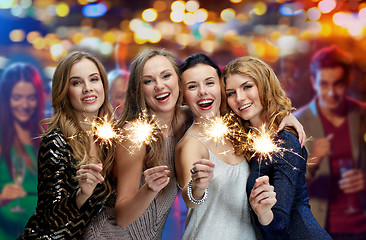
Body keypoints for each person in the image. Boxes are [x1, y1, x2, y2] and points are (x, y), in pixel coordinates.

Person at [83, 48, 306, 240]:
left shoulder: (194, 117)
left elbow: (240, 108)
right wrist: (156, 188)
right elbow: (187, 198)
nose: (159, 86)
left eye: (166, 76)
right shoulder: (139, 135)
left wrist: (284, 116)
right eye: (148, 81)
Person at [223, 56, 332, 239]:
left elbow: (279, 225)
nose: (239, 98)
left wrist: (263, 211)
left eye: (247, 86)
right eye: (230, 93)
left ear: (264, 85)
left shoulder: (284, 140)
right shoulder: (247, 138)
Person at [175, 53, 277, 239]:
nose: (203, 91)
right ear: (183, 97)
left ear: (221, 88)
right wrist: (197, 186)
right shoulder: (191, 144)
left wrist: (287, 117)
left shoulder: (237, 129)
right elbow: (190, 198)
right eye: (192, 86)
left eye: (209, 83)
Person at [19, 51, 115, 239]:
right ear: (64, 91)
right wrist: (82, 194)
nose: (88, 88)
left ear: (103, 84)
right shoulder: (56, 141)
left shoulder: (110, 139)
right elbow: (49, 218)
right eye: (76, 82)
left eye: (94, 79)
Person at [294, 45, 366, 240]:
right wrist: (312, 162)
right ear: (313, 82)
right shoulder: (298, 123)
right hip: (320, 229)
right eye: (324, 84)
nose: (331, 92)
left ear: (348, 81)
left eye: (338, 84)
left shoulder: (361, 115)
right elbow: (286, 185)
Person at [0, 62, 45, 240]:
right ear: (6, 98)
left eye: (31, 97)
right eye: (17, 97)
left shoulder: (45, 136)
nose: (25, 105)